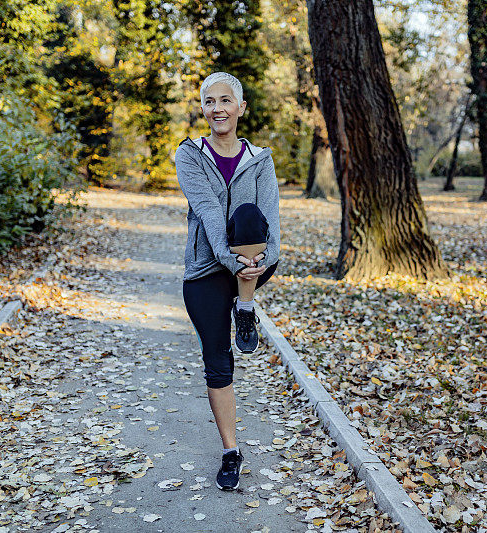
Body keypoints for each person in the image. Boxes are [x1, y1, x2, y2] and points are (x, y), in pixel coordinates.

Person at [174, 71, 280, 491]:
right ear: (203, 109)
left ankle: (246, 307)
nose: (217, 108)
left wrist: (259, 261)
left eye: (225, 101)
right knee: (218, 362)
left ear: (240, 108)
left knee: (250, 214)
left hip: (252, 264)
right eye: (209, 101)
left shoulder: (261, 158)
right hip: (206, 270)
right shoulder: (190, 155)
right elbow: (209, 215)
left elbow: (270, 222)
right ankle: (231, 452)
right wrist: (230, 263)